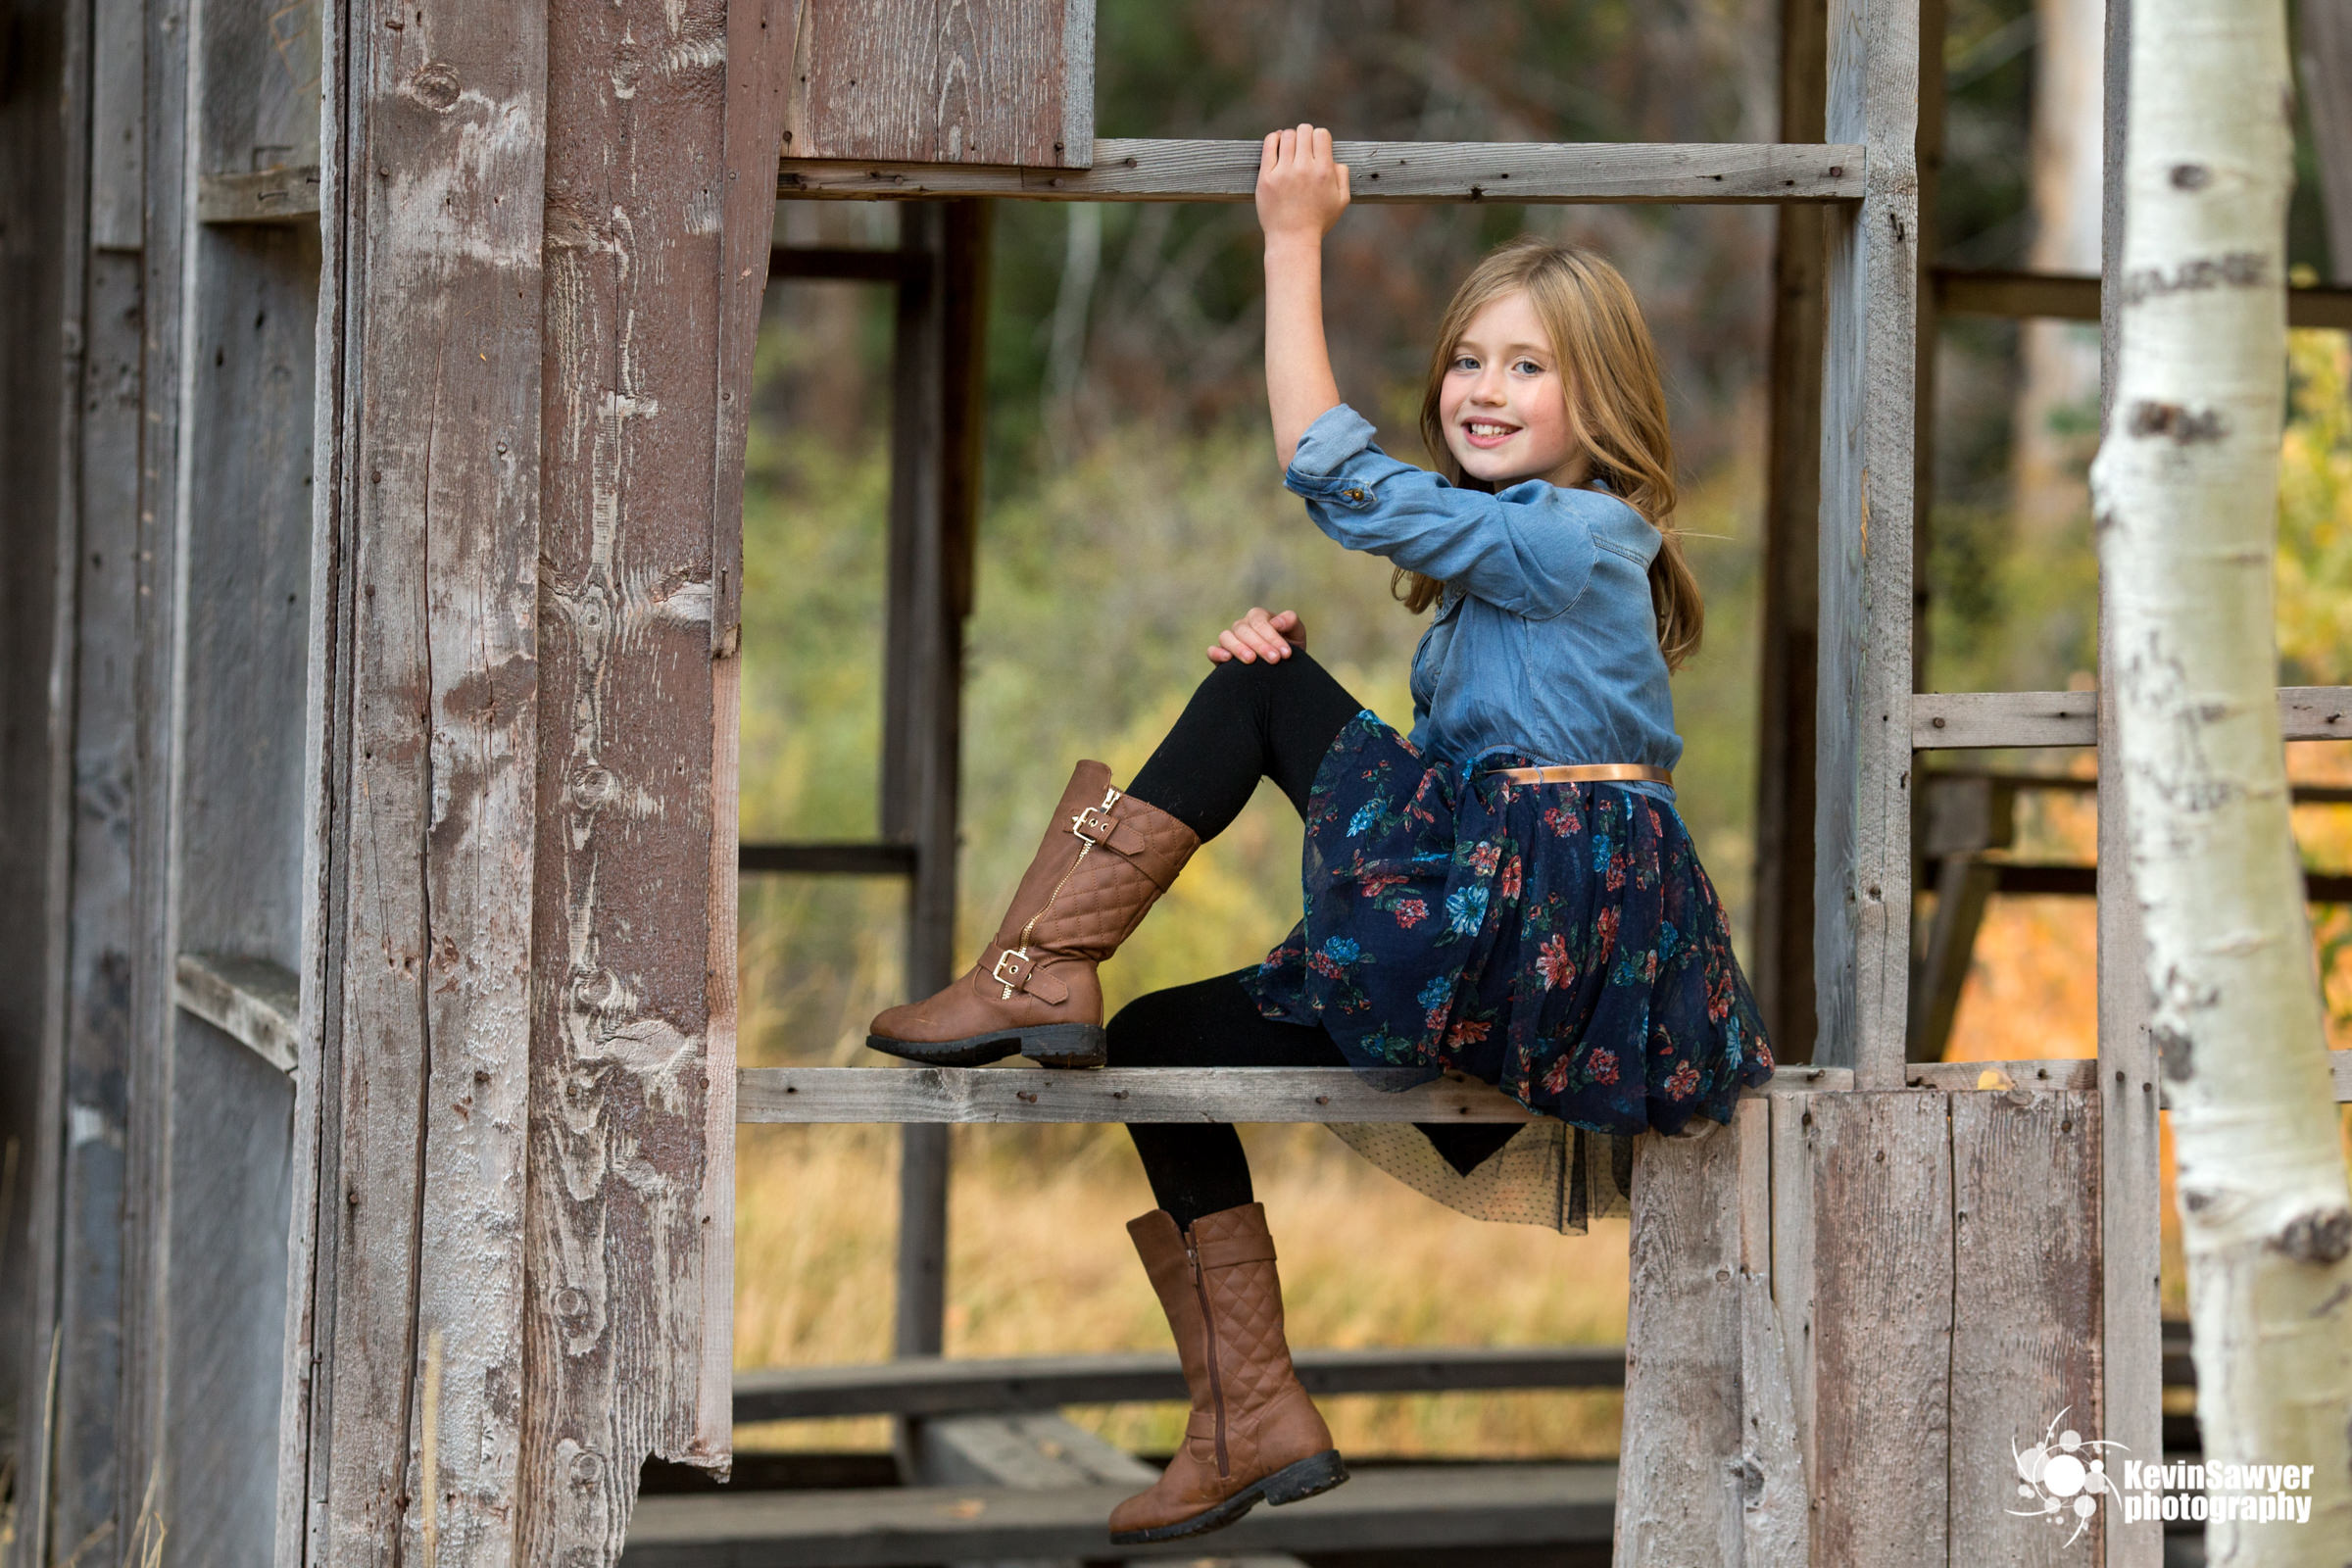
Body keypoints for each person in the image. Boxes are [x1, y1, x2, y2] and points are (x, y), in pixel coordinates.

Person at [864, 123, 1777, 1546]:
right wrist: (1277, 692)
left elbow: (1325, 468)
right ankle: (1249, 1415)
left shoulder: (1585, 532)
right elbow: (1463, 777)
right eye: (1470, 361)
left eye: (1529, 367)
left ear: (1604, 404)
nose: (1484, 389)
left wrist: (1294, 238)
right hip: (1513, 924)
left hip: (1525, 923)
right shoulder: (1514, 582)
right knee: (1162, 1041)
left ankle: (1036, 960)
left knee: (1266, 684)